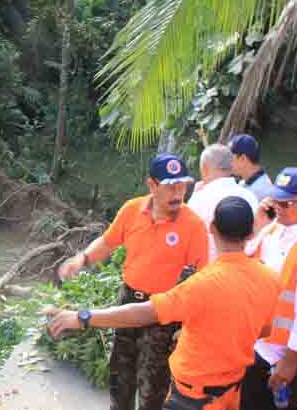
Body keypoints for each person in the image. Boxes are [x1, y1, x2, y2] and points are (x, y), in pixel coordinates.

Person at [48, 196, 280, 410]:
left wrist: (84, 317)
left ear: (212, 228)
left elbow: (143, 313)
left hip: (193, 397)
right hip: (232, 392)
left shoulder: (203, 285)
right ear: (251, 233)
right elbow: (265, 330)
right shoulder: (270, 279)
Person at [57, 153, 209, 410]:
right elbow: (107, 241)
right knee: (120, 374)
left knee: (153, 384)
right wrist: (82, 259)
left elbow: (202, 278)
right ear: (152, 185)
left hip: (163, 312)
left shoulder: (193, 225)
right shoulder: (132, 210)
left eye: (181, 185)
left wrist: (188, 325)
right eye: (170, 186)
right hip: (128, 298)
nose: (177, 193)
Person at [240, 168, 297, 410]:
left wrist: (291, 360)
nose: (278, 207)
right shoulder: (276, 227)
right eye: (276, 201)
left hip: (282, 357)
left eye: (286, 203)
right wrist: (259, 224)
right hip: (257, 346)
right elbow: (243, 259)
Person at [188, 144, 259, 263]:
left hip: (209, 270)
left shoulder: (199, 199)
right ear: (231, 167)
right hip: (245, 267)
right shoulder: (250, 196)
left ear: (204, 168)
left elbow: (187, 235)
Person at [230, 134, 273, 203]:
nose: (228, 162)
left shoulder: (258, 191)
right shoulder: (247, 182)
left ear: (243, 159)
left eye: (230, 158)